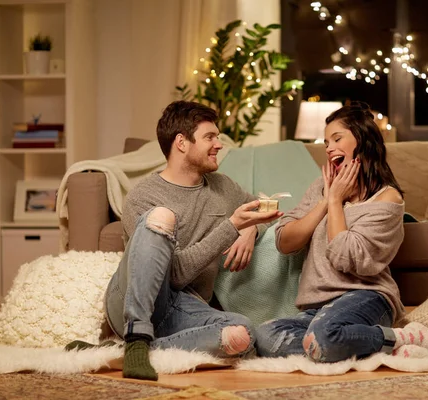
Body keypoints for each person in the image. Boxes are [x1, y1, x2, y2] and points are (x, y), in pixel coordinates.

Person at [67, 100, 282, 380]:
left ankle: (120, 352)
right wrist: (232, 226)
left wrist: (249, 229)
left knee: (241, 335)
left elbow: (263, 208)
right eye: (210, 137)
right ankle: (136, 335)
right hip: (135, 301)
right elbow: (174, 275)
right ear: (181, 142)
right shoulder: (144, 196)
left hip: (184, 307)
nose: (218, 144)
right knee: (162, 217)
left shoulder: (223, 187)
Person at [254, 102, 428, 362]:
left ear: (361, 139)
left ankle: (401, 338)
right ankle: (366, 344)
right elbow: (284, 241)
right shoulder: (321, 187)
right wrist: (324, 201)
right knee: (265, 336)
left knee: (324, 337)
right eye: (327, 141)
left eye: (337, 138)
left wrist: (335, 202)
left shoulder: (387, 200)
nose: (328, 147)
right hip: (318, 307)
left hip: (366, 298)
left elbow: (344, 256)